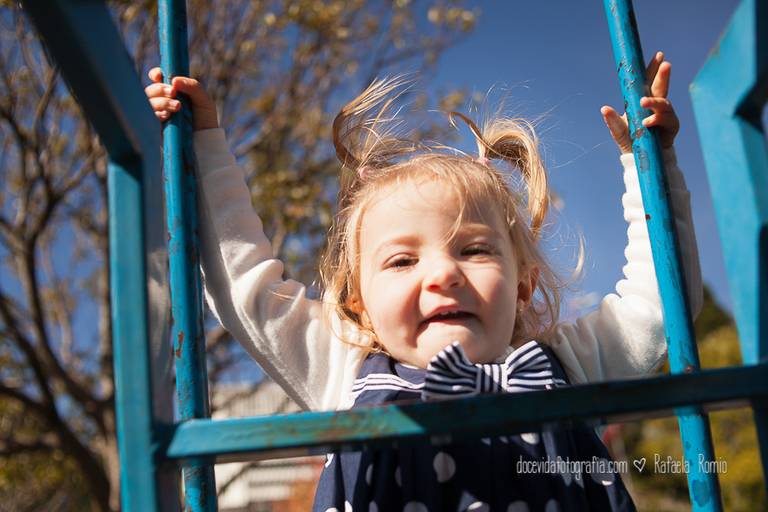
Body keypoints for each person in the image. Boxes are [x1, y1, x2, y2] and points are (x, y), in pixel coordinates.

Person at [145, 50, 701, 511]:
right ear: (360, 305)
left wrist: (647, 163)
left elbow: (660, 305)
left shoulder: (568, 366)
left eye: (475, 250)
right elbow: (249, 291)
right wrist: (204, 146)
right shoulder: (345, 372)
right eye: (401, 261)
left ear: (524, 285)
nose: (443, 274)